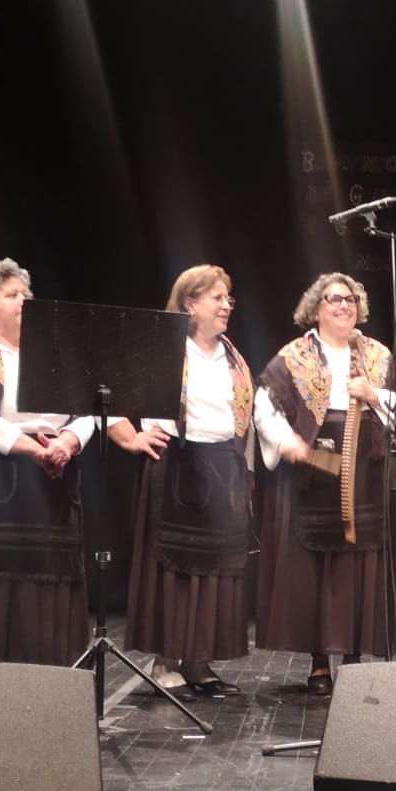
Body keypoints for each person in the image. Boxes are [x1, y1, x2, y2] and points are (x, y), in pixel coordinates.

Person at [0, 258, 95, 664]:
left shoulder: (53, 357)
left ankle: (53, 671)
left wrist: (67, 442)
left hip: (54, 479)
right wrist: (34, 449)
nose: (24, 300)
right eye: (12, 295)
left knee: (51, 578)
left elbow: (87, 410)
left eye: (26, 293)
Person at [110, 265, 254, 699]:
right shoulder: (164, 348)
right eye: (217, 298)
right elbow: (108, 394)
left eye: (229, 298)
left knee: (213, 568)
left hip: (221, 466)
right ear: (190, 304)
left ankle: (198, 660)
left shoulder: (233, 357)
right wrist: (131, 438)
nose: (227, 305)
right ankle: (165, 661)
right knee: (173, 568)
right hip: (175, 464)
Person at [254, 272, 394, 695]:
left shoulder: (377, 355)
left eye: (350, 299)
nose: (344, 305)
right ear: (316, 308)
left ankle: (353, 655)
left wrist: (373, 394)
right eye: (334, 299)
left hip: (364, 466)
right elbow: (264, 403)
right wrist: (287, 441)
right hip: (314, 470)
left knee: (357, 561)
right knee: (316, 564)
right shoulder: (294, 356)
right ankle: (319, 661)